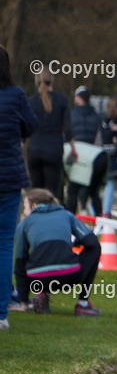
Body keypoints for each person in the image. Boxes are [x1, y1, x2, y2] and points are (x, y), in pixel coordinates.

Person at [13, 188, 101, 316]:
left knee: (31, 259)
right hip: (69, 276)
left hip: (37, 280)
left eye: (25, 206)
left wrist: (23, 301)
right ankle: (83, 304)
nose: (24, 211)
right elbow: (92, 242)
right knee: (95, 248)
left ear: (35, 205)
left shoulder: (24, 224)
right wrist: (70, 243)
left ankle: (40, 294)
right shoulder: (66, 215)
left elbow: (20, 262)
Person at [0, 44, 38, 330]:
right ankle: (1, 313)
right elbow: (31, 125)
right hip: (9, 178)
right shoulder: (15, 96)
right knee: (4, 246)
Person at [27, 68, 73, 204]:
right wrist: (73, 147)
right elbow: (68, 129)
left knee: (36, 192)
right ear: (52, 80)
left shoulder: (31, 102)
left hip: (34, 149)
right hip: (54, 150)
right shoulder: (62, 101)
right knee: (52, 193)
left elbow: (25, 126)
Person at [66, 86, 107, 216]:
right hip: (92, 155)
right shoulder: (97, 116)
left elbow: (68, 135)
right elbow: (100, 138)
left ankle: (71, 217)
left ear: (78, 98)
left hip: (77, 154)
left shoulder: (71, 115)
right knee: (93, 190)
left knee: (72, 190)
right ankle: (100, 219)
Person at [101, 99, 117, 215]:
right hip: (112, 156)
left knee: (103, 183)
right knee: (110, 183)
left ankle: (103, 210)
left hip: (107, 155)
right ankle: (106, 211)